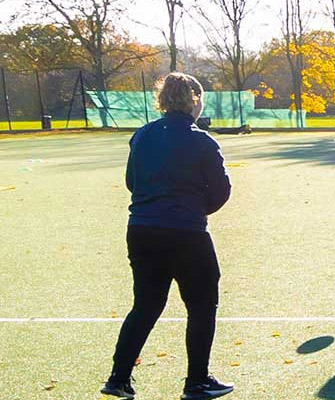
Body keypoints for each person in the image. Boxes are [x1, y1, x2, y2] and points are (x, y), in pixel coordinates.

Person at [104, 72, 236, 400]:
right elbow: (221, 191)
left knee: (146, 305)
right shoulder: (201, 140)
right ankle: (197, 382)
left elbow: (132, 182)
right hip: (187, 234)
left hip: (142, 230)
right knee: (202, 305)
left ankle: (118, 379)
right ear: (194, 100)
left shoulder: (143, 135)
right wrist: (194, 209)